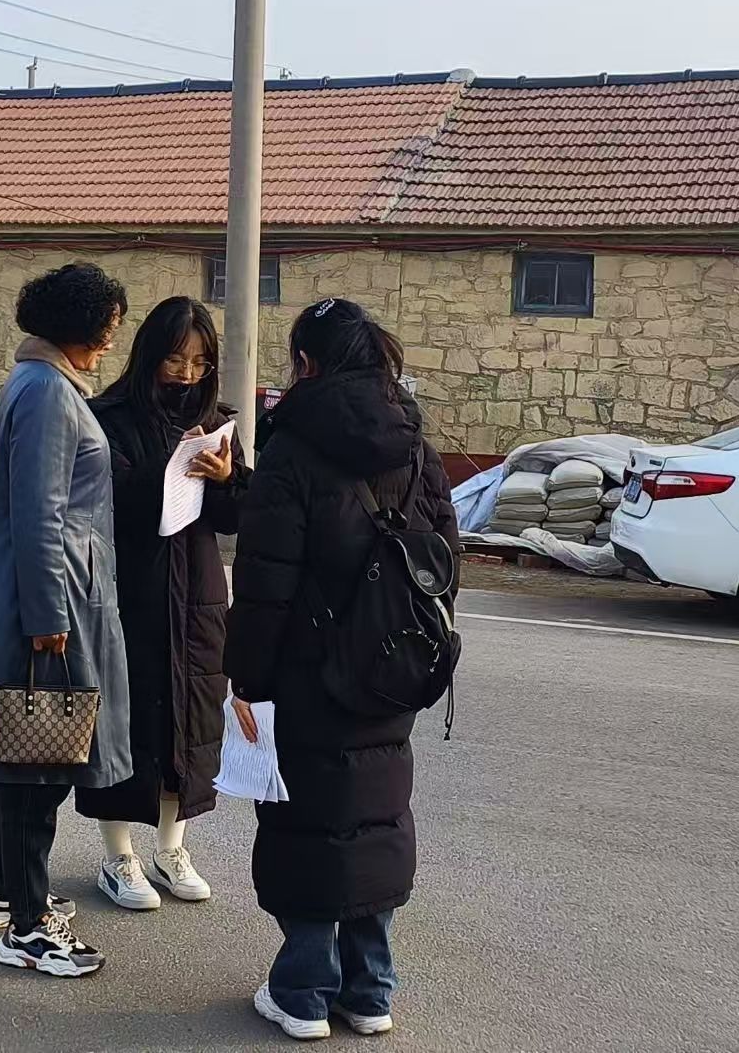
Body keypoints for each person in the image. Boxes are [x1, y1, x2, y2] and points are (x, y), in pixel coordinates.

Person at [224, 298, 458, 1039]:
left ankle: (302, 991)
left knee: (307, 822)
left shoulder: (291, 448)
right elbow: (444, 559)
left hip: (308, 673)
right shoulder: (414, 444)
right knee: (376, 815)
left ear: (306, 362)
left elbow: (265, 583)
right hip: (393, 665)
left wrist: (247, 679)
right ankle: (369, 990)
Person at [0, 262, 133, 978]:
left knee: (17, 750)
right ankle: (27, 926)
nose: (110, 340)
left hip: (44, 593)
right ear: (79, 324)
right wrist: (50, 615)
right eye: (107, 326)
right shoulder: (49, 391)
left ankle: (3, 889)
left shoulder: (40, 380)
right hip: (50, 602)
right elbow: (39, 513)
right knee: (41, 763)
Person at [73, 296, 250, 910]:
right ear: (150, 354)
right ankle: (118, 855)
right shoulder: (109, 417)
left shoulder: (217, 421)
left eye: (200, 363)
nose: (187, 374)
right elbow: (99, 500)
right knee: (124, 722)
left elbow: (236, 517)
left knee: (190, 721)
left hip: (197, 594)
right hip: (130, 589)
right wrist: (168, 471)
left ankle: (172, 849)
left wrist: (226, 479)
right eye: (176, 360)